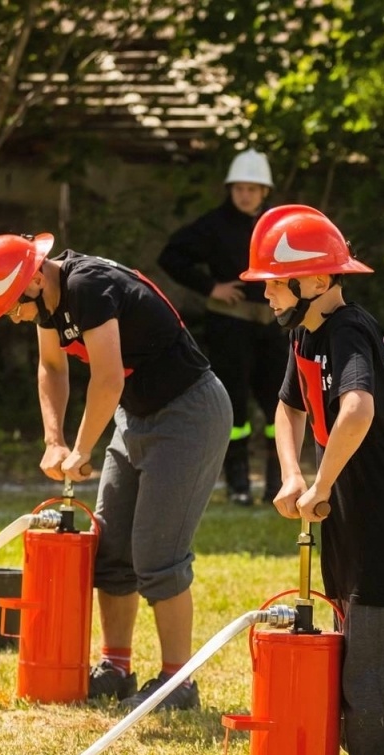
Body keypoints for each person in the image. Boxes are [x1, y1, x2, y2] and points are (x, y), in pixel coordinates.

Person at [0, 233, 230, 710]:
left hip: (188, 414)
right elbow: (52, 367)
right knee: (110, 548)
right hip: (135, 416)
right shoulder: (46, 300)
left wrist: (82, 448)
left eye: (12, 307)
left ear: (34, 279)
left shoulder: (87, 286)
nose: (14, 317)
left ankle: (178, 682)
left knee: (158, 555)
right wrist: (54, 440)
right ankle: (116, 668)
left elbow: (107, 379)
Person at [243, 205, 384, 755]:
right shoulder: (306, 332)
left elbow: (357, 410)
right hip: (352, 522)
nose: (267, 294)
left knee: (371, 680)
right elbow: (289, 407)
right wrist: (290, 474)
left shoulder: (350, 331)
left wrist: (322, 483)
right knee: (366, 671)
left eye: (276, 283)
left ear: (316, 280)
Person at [158, 149, 286, 506]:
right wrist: (211, 287)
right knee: (234, 408)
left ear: (264, 191)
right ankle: (238, 483)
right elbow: (171, 257)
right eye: (239, 188)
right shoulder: (213, 225)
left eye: (252, 189)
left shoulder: (277, 226)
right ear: (230, 189)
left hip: (274, 327)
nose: (245, 195)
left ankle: (279, 482)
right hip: (230, 326)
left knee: (279, 405)